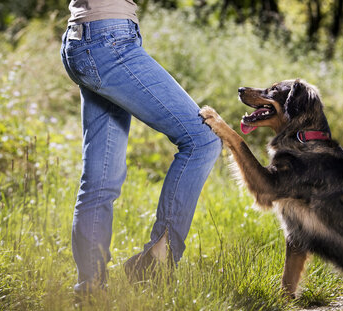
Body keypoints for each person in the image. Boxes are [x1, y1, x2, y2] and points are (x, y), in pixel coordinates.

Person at [60, 0, 222, 295]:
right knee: (203, 139)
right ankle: (156, 261)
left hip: (85, 36)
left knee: (100, 179)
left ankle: (91, 291)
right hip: (109, 41)